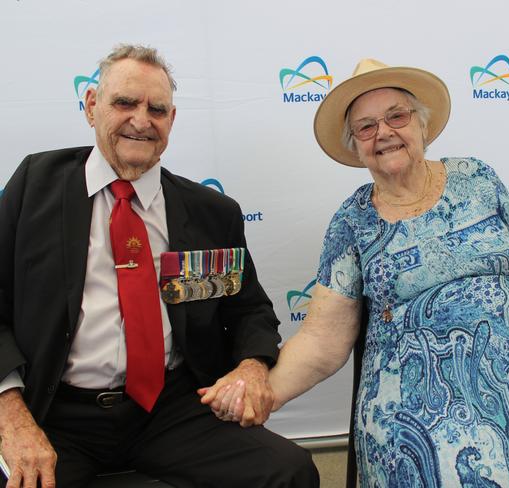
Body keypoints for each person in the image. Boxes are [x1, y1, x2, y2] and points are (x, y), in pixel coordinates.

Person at [208, 59, 509, 486]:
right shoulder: (352, 222)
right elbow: (323, 339)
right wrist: (261, 393)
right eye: (366, 126)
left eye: (396, 115)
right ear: (356, 145)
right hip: (419, 398)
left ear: (421, 124)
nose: (383, 132)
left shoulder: (477, 178)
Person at [0, 44, 318, 488]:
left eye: (157, 109)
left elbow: (249, 310)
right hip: (56, 411)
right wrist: (11, 416)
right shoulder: (35, 185)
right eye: (124, 102)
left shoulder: (211, 211)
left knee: (288, 472)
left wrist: (251, 365)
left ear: (172, 120)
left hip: (169, 409)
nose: (141, 120)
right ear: (92, 107)